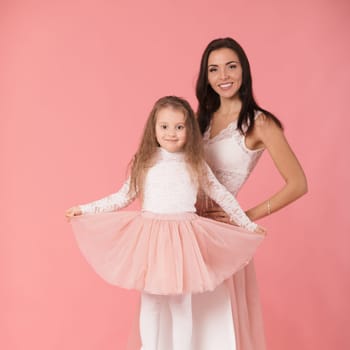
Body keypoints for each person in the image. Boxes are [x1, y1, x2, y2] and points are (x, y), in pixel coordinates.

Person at [65, 96, 266, 350]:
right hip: (151, 239)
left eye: (179, 127)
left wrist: (247, 225)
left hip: (183, 240)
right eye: (164, 127)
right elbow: (122, 196)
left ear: (189, 131)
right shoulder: (145, 161)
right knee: (151, 303)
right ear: (154, 128)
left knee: (181, 305)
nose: (172, 133)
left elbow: (221, 194)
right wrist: (84, 209)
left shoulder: (195, 163)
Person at [188, 37, 308, 350]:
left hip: (220, 238)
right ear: (206, 77)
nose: (223, 75)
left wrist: (244, 217)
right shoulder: (200, 120)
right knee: (181, 324)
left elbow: (298, 183)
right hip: (184, 230)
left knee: (214, 329)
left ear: (244, 70)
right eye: (213, 69)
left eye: (231, 66)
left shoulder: (260, 123)